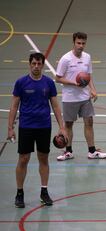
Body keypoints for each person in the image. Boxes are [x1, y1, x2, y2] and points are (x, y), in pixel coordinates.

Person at [7, 52, 67, 208]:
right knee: (23, 159)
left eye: (39, 64)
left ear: (42, 65)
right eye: (33, 63)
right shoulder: (21, 83)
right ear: (29, 64)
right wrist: (10, 128)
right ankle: (19, 193)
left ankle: (44, 192)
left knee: (43, 159)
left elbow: (55, 105)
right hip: (26, 126)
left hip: (44, 126)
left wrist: (62, 127)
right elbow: (14, 106)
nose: (36, 66)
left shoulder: (48, 83)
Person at [55, 32, 106, 161]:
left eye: (83, 43)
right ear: (73, 42)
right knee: (69, 125)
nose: (81, 46)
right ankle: (68, 152)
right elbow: (57, 78)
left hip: (84, 97)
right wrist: (74, 83)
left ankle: (92, 151)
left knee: (89, 123)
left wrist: (93, 90)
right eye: (78, 43)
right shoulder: (65, 59)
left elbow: (88, 76)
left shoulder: (87, 57)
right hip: (70, 98)